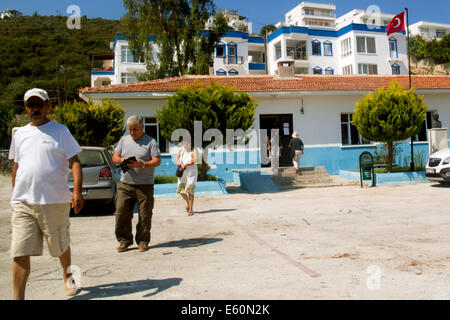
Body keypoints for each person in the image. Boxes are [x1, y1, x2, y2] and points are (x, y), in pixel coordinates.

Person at [9, 88, 84, 299]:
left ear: (48, 106)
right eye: (30, 105)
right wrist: (15, 193)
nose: (35, 109)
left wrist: (76, 192)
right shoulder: (20, 134)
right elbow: (16, 165)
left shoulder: (60, 131)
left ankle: (67, 277)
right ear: (25, 108)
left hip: (54, 201)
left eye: (39, 104)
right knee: (20, 251)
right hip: (23, 203)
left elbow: (75, 163)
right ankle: (18, 297)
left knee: (60, 246)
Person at [112, 115, 161, 253]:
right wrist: (121, 160)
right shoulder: (124, 140)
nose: (132, 133)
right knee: (121, 212)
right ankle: (124, 240)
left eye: (135, 129)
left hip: (144, 186)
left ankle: (143, 240)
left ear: (142, 127)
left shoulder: (151, 142)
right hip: (125, 184)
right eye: (130, 130)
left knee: (145, 215)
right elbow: (114, 156)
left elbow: (157, 161)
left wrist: (143, 164)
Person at [175, 137, 198, 216]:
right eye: (183, 143)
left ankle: (191, 209)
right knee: (181, 191)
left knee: (190, 191)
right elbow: (176, 157)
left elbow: (195, 160)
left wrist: (186, 164)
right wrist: (178, 162)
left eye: (186, 143)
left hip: (192, 174)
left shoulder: (194, 150)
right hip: (183, 174)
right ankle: (188, 203)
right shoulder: (181, 150)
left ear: (190, 143)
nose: (184, 144)